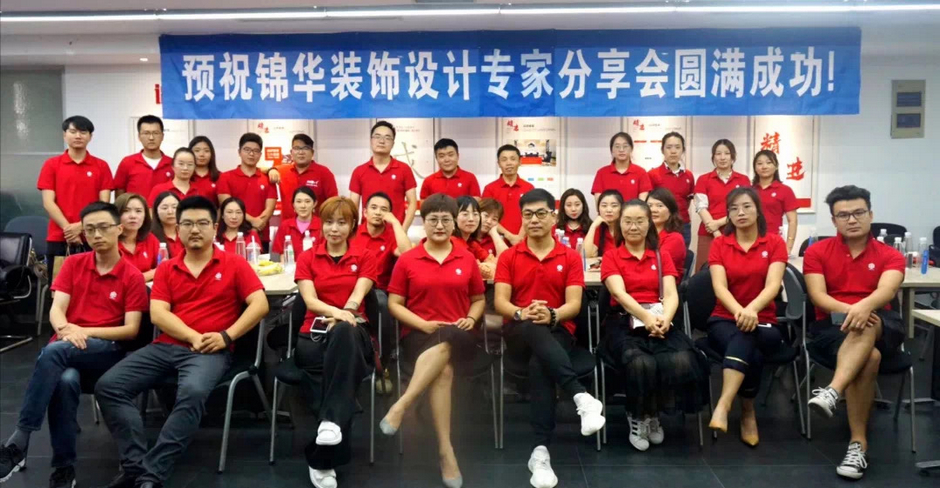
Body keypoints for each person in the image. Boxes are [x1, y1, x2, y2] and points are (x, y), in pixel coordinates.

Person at [95, 196, 269, 488]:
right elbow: (158, 313)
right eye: (187, 224)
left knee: (192, 392)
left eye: (202, 223)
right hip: (167, 346)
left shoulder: (235, 263)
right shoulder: (167, 268)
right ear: (178, 229)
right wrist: (191, 336)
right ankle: (135, 464)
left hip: (211, 351)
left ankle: (152, 473)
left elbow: (260, 304)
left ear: (214, 227)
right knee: (109, 386)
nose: (195, 229)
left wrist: (226, 336)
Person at [0, 202, 147, 488]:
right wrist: (66, 329)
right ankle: (64, 468)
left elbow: (130, 330)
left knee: (54, 351)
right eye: (90, 230)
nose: (97, 235)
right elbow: (57, 310)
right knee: (65, 381)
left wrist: (82, 331)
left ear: (119, 229)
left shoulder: (131, 275)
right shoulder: (73, 264)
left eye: (103, 227)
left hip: (106, 349)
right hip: (68, 346)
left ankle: (19, 440)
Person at [493, 189, 605, 488]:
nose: (534, 219)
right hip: (519, 331)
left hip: (558, 331)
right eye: (528, 214)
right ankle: (580, 395)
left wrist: (553, 315)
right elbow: (501, 302)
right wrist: (522, 312)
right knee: (531, 324)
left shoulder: (570, 256)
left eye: (541, 213)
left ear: (553, 217)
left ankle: (540, 452)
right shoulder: (509, 256)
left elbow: (574, 304)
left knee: (539, 364)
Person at [381, 194, 487, 488]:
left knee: (450, 334)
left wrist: (471, 318)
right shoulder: (408, 259)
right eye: (433, 220)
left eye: (445, 220)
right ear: (423, 223)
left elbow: (479, 299)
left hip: (461, 334)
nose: (439, 226)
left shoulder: (466, 258)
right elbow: (394, 304)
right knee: (444, 370)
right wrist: (422, 324)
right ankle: (445, 451)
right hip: (419, 334)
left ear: (454, 224)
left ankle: (402, 404)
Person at [803, 185, 905, 481]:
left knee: (869, 322)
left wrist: (863, 309)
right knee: (869, 357)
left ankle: (833, 391)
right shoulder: (817, 251)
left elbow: (887, 291)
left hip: (883, 324)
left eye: (859, 212)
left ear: (871, 214)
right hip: (831, 327)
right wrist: (854, 312)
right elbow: (818, 296)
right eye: (843, 215)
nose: (852, 219)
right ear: (833, 220)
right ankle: (858, 445)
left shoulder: (890, 255)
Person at [600, 199, 705, 452]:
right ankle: (637, 416)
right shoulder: (612, 256)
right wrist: (646, 318)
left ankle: (654, 413)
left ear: (649, 224)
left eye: (640, 221)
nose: (633, 227)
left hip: (659, 318)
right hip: (624, 321)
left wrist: (666, 319)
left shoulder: (661, 255)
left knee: (681, 358)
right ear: (619, 225)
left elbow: (671, 293)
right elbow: (620, 294)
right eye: (627, 221)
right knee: (641, 362)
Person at [292, 196, 377, 488]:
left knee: (343, 335)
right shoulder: (307, 257)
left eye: (342, 222)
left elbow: (359, 293)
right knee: (343, 374)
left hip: (354, 331)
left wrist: (346, 314)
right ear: (321, 224)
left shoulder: (364, 255)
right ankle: (328, 441)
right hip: (313, 335)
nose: (334, 228)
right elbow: (310, 301)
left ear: (352, 225)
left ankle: (325, 447)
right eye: (329, 222)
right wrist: (336, 313)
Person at [705, 188, 787, 447]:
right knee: (752, 350)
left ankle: (724, 403)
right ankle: (748, 413)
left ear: (758, 210)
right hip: (724, 319)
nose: (740, 213)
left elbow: (773, 286)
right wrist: (741, 312)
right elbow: (719, 287)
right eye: (733, 208)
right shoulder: (720, 244)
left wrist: (752, 310)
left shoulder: (774, 243)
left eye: (746, 206)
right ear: (728, 215)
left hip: (765, 321)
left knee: (747, 334)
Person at [38, 115, 113, 258]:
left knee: (94, 273)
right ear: (64, 135)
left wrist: (81, 226)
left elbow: (103, 203)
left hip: (95, 235)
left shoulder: (101, 166)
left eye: (83, 132)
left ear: (90, 136)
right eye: (73, 132)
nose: (78, 136)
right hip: (59, 236)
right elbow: (48, 202)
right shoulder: (51, 165)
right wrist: (69, 230)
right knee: (59, 273)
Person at [693, 139, 750, 272]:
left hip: (737, 232)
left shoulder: (743, 180)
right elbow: (701, 207)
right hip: (708, 233)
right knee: (705, 273)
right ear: (713, 157)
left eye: (727, 153)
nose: (722, 157)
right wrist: (716, 232)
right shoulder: (703, 179)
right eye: (718, 154)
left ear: (733, 156)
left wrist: (718, 223)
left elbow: (745, 208)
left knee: (736, 272)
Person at [349, 121, 418, 228]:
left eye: (387, 138)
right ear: (371, 140)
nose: (381, 141)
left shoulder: (404, 169)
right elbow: (353, 207)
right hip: (367, 232)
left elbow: (412, 203)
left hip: (395, 232)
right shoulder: (359, 171)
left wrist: (402, 230)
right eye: (377, 137)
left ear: (393, 143)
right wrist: (354, 231)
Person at [217, 132, 277, 250]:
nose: (251, 154)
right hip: (231, 236)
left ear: (260, 154)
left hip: (261, 235)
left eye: (255, 151)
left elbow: (270, 208)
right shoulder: (225, 177)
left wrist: (257, 227)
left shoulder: (267, 179)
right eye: (247, 150)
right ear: (239, 152)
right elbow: (226, 205)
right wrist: (253, 222)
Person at [266, 134, 339, 222]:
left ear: (312, 152)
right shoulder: (282, 171)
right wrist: (271, 170)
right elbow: (258, 170)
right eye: (297, 148)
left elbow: (334, 203)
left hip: (316, 227)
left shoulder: (324, 173)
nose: (301, 152)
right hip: (288, 227)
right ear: (291, 152)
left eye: (306, 148)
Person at [350, 192, 413, 291]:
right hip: (351, 284)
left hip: (377, 289)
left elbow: (407, 254)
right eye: (374, 208)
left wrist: (395, 222)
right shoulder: (352, 232)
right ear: (365, 212)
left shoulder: (392, 236)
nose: (378, 212)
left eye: (383, 209)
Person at [482, 145, 535, 246]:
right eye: (504, 159)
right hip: (496, 241)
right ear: (498, 163)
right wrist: (510, 236)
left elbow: (531, 214)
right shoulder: (490, 189)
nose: (509, 163)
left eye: (513, 159)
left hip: (524, 241)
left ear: (520, 161)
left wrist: (520, 237)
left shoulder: (529, 188)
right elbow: (487, 218)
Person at [648, 132, 695, 246]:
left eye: (677, 147)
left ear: (683, 150)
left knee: (683, 255)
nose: (673, 151)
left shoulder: (688, 175)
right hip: (661, 225)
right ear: (662, 150)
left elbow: (687, 201)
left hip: (683, 225)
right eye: (669, 147)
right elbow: (649, 203)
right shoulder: (652, 174)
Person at [114, 115, 174, 198]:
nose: (151, 138)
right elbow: (119, 192)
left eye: (156, 133)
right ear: (139, 136)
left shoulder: (173, 164)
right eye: (146, 133)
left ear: (162, 136)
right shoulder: (127, 162)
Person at [752, 150, 799, 255]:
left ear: (776, 166)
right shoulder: (749, 191)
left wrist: (788, 247)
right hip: (750, 240)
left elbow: (792, 221)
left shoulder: (785, 190)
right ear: (755, 168)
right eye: (759, 163)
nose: (764, 166)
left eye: (769, 162)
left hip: (774, 240)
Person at [591, 132, 651, 205]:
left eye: (625, 146)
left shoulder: (641, 172)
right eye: (617, 146)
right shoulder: (601, 173)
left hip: (633, 212)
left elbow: (643, 205)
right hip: (609, 212)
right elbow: (599, 204)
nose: (621, 150)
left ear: (631, 149)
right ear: (612, 150)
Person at [115, 193, 160, 281]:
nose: (133, 216)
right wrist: (151, 274)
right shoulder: (109, 242)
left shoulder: (150, 239)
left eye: (138, 211)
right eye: (126, 211)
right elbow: (118, 281)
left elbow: (164, 269)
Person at [271, 186, 321, 263]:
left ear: (314, 204)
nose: (303, 206)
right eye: (298, 201)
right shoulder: (285, 226)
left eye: (307, 201)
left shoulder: (322, 226)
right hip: (291, 269)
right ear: (293, 204)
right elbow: (281, 255)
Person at [453, 196, 498, 279]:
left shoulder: (472, 243)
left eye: (475, 214)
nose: (471, 219)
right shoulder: (452, 243)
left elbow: (500, 267)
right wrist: (485, 266)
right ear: (454, 218)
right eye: (465, 214)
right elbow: (479, 271)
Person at [647, 188, 688, 277]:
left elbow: (657, 265)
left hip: (664, 281)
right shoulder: (642, 233)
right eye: (649, 205)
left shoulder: (675, 238)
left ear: (670, 211)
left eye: (660, 206)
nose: (653, 210)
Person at [584, 189, 623, 258]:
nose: (609, 210)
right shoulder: (598, 228)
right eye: (604, 206)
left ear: (622, 208)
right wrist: (593, 226)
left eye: (614, 206)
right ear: (598, 209)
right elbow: (585, 255)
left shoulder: (626, 228)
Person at [188, 136, 221, 203]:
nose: (201, 155)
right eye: (197, 151)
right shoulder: (184, 176)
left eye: (206, 151)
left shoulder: (221, 177)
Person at [150, 192, 183, 258]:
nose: (170, 212)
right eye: (165, 208)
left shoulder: (188, 233)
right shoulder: (150, 237)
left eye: (174, 207)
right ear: (156, 211)